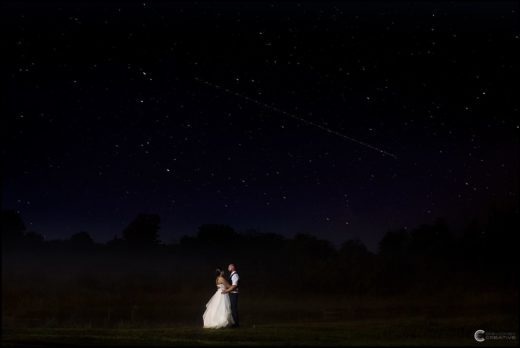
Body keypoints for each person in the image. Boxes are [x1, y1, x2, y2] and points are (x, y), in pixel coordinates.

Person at [221, 263, 239, 327]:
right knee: (231, 308)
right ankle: (233, 323)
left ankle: (236, 324)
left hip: (234, 294)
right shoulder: (232, 274)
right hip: (231, 293)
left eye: (229, 267)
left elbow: (234, 286)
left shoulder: (235, 275)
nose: (228, 268)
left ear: (233, 267)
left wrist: (226, 291)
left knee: (233, 308)